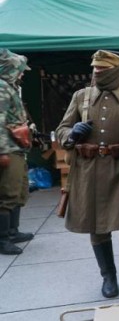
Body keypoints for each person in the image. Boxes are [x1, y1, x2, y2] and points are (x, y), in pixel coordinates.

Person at [55, 50, 119, 298]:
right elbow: (62, 128)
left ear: (115, 70)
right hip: (89, 170)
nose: (97, 72)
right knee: (97, 226)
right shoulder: (82, 96)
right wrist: (72, 134)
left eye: (103, 69)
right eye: (95, 68)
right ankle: (108, 276)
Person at [0, 49, 33, 255]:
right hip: (9, 149)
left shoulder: (10, 87)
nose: (22, 74)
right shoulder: (2, 88)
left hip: (17, 148)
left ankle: (13, 231)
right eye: (19, 70)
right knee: (7, 194)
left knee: (20, 190)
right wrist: (2, 151)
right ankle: (3, 240)